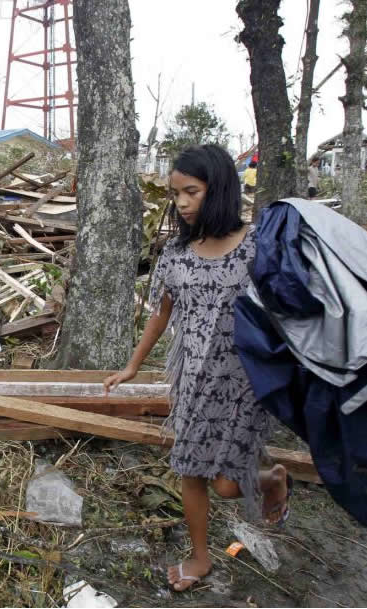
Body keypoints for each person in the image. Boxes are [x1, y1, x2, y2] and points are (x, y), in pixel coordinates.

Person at [104, 144, 290, 592]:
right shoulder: (176, 254)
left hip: (246, 385)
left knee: (227, 485)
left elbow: (287, 309)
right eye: (176, 194)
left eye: (192, 191)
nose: (183, 203)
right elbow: (160, 314)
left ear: (219, 189)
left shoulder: (258, 247)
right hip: (191, 379)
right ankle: (201, 557)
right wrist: (132, 366)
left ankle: (271, 480)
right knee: (190, 470)